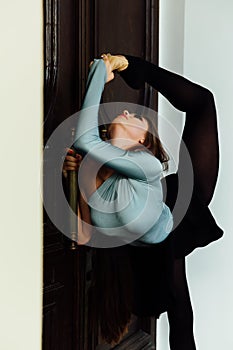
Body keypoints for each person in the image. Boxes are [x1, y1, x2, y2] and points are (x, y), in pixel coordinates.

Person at [63, 54, 223, 349]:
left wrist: (112, 66)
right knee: (179, 306)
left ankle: (137, 68)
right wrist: (80, 176)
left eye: (138, 117)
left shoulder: (145, 164)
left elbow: (87, 141)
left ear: (143, 142)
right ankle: (135, 69)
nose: (127, 110)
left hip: (177, 203)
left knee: (203, 103)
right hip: (146, 233)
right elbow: (85, 234)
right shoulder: (101, 179)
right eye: (135, 114)